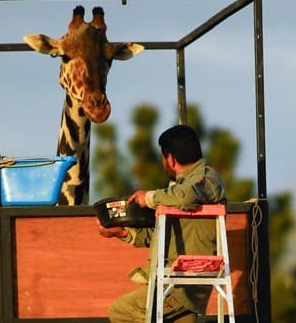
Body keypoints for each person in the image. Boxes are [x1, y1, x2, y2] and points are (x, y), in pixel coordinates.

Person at [97, 124, 227, 323]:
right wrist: (123, 233)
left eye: (163, 158)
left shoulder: (206, 179)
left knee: (121, 311)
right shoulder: (176, 190)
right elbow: (163, 235)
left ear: (171, 159)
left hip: (182, 283)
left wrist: (149, 197)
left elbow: (187, 196)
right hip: (176, 283)